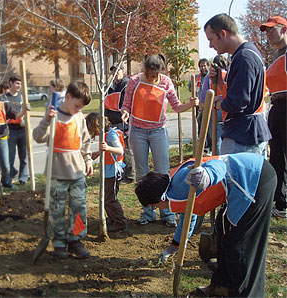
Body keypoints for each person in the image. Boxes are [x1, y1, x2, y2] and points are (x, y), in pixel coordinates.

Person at [135, 152, 277, 297]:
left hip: (254, 179)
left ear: (159, 199)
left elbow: (219, 165)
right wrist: (175, 245)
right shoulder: (172, 189)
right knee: (222, 234)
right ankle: (222, 285)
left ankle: (246, 293)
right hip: (238, 187)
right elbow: (188, 217)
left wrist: (208, 175)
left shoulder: (182, 182)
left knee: (241, 244)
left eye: (154, 206)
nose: (157, 209)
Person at [121, 54, 199, 227]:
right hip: (138, 131)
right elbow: (126, 105)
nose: (151, 78)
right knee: (142, 173)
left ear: (160, 72)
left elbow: (177, 107)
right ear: (145, 69)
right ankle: (147, 212)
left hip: (158, 130)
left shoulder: (166, 82)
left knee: (163, 172)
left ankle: (167, 212)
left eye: (155, 75)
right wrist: (125, 113)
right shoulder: (134, 81)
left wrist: (191, 104)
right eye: (149, 74)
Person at [33, 81, 93, 259]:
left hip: (77, 172)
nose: (78, 110)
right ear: (67, 97)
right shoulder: (53, 115)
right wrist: (46, 121)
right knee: (56, 210)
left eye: (81, 107)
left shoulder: (79, 117)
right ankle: (59, 243)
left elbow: (86, 141)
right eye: (76, 105)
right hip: (56, 173)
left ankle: (76, 240)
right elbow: (38, 137)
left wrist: (88, 159)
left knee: (79, 208)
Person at [204, 14, 271, 157]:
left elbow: (237, 103)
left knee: (236, 179)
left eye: (211, 39)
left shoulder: (244, 58)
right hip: (246, 133)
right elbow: (239, 91)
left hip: (244, 138)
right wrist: (220, 82)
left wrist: (216, 104)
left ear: (223, 33)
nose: (210, 45)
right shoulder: (242, 55)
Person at [260, 16, 287, 218]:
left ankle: (284, 202)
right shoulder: (276, 55)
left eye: (272, 29)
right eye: (266, 30)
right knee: (276, 154)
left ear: (284, 29)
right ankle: (280, 201)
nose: (268, 34)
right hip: (276, 107)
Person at [86, 112, 128, 232]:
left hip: (113, 171)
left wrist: (107, 148)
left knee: (110, 199)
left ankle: (120, 222)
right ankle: (113, 219)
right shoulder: (104, 135)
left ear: (96, 125)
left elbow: (120, 151)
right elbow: (106, 149)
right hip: (107, 170)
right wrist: (98, 153)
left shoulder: (111, 135)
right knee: (105, 198)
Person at [0, 82, 28, 190]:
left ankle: (6, 182)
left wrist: (24, 110)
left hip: (2, 137)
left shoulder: (3, 102)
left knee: (6, 165)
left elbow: (15, 115)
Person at [105, 62, 135, 183]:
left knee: (126, 149)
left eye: (118, 70)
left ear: (123, 71)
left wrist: (129, 122)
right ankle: (120, 172)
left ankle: (131, 175)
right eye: (113, 71)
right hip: (112, 122)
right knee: (117, 148)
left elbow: (130, 105)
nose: (115, 73)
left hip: (124, 122)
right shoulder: (111, 87)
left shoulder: (126, 86)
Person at [199, 55, 229, 155]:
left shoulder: (210, 77)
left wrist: (202, 107)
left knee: (216, 138)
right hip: (227, 108)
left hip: (215, 108)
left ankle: (217, 157)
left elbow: (204, 94)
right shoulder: (229, 74)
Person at [6, 75, 28, 185]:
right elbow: (12, 115)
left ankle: (23, 178)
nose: (19, 86)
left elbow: (26, 112)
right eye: (16, 83)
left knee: (23, 156)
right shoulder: (5, 98)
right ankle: (9, 178)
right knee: (10, 156)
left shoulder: (22, 97)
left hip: (22, 129)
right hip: (10, 131)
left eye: (20, 84)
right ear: (10, 83)